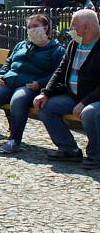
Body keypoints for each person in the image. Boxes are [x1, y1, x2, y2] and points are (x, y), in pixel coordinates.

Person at [0, 14, 64, 153]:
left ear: (46, 27)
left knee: (17, 101)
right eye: (29, 27)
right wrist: (0, 74)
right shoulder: (21, 45)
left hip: (29, 85)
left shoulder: (56, 49)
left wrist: (40, 84)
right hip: (9, 82)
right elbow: (8, 62)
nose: (32, 30)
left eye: (35, 26)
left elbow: (57, 73)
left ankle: (14, 141)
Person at [33, 9, 100, 169]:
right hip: (74, 95)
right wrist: (45, 93)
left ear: (87, 28)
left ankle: (96, 155)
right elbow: (60, 70)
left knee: (89, 113)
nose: (71, 30)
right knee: (44, 106)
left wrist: (85, 102)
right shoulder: (74, 44)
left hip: (94, 98)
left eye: (74, 26)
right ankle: (69, 149)